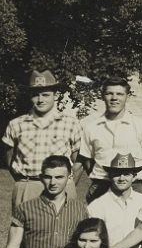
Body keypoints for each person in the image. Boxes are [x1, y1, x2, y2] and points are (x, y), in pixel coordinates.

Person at [2, 69, 82, 206]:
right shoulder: (16, 124)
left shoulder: (71, 123)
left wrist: (67, 183)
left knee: (63, 226)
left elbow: (78, 161)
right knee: (24, 227)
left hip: (61, 187)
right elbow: (9, 158)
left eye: (45, 95)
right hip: (28, 186)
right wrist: (24, 182)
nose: (40, 100)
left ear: (55, 95)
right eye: (35, 95)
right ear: (29, 96)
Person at [78, 77, 142, 202]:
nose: (114, 98)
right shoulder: (91, 127)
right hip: (101, 187)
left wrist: (136, 183)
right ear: (102, 96)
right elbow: (88, 161)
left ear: (127, 96)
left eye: (119, 94)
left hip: (133, 187)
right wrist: (101, 179)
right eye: (109, 93)